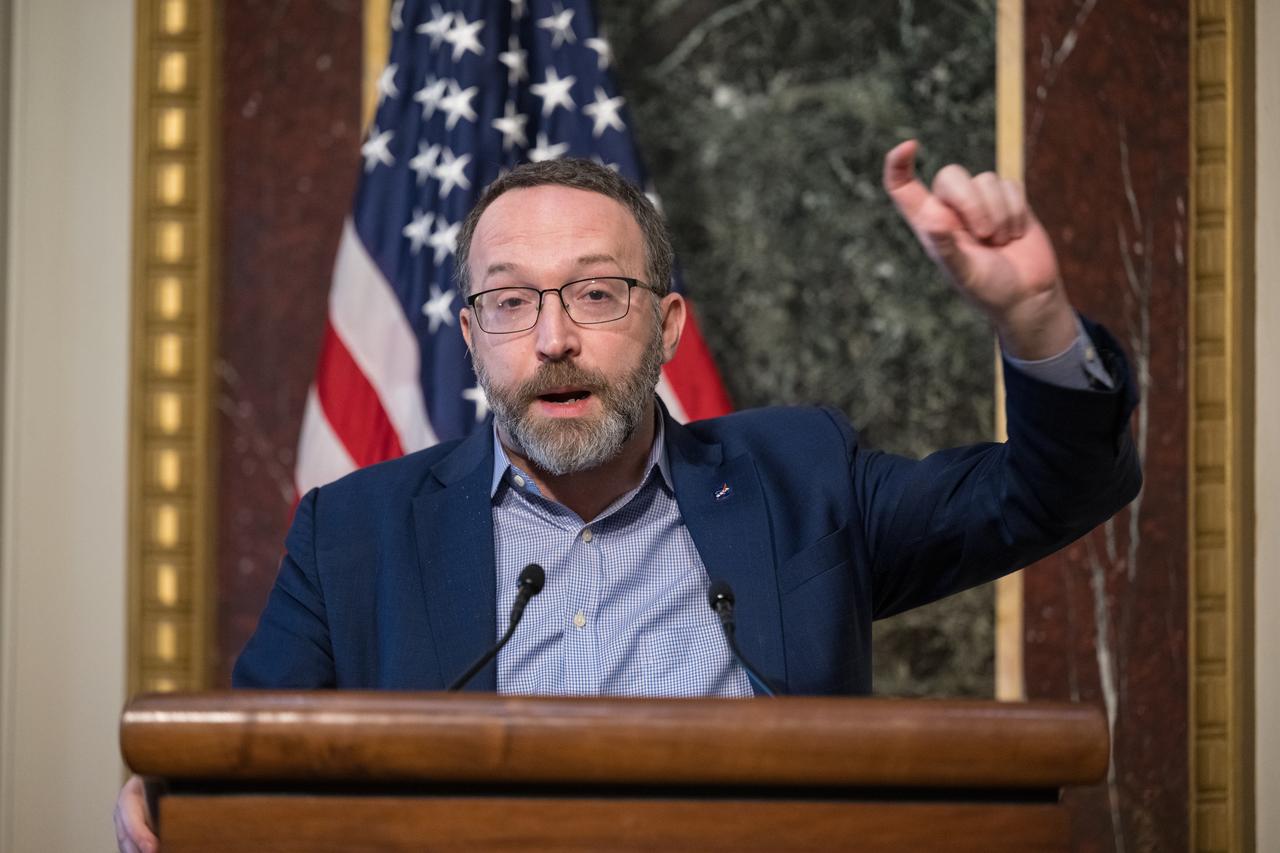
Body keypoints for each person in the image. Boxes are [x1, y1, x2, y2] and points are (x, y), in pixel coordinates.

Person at [114, 142, 1141, 851]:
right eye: (510, 301)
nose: (552, 336)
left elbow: (1053, 489)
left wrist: (1034, 315)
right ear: (471, 338)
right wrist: (171, 799)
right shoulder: (354, 534)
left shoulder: (800, 479)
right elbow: (238, 774)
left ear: (669, 326)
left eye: (596, 293)